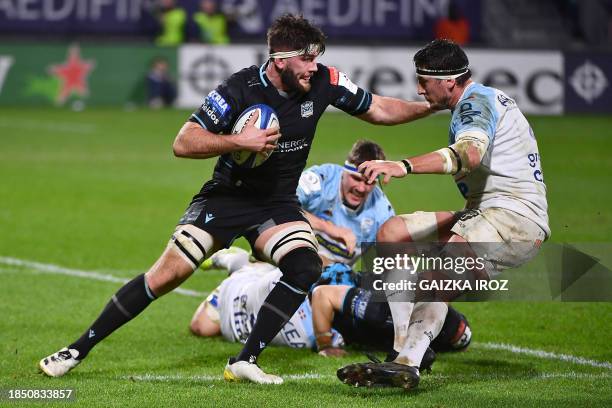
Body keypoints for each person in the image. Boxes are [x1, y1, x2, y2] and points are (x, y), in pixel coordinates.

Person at [39, 14, 433, 385]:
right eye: (306, 59)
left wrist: (432, 106)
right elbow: (183, 141)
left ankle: (244, 361)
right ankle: (75, 350)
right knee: (165, 276)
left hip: (277, 203)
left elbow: (378, 108)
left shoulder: (325, 81)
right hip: (228, 197)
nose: (314, 66)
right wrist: (237, 141)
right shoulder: (239, 87)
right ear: (279, 60)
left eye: (316, 58)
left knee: (304, 266)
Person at [337, 39, 549, 390]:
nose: (418, 88)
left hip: (514, 218)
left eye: (423, 81)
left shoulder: (475, 105)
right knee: (393, 234)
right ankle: (401, 350)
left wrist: (403, 166)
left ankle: (409, 361)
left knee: (437, 276)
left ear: (449, 81)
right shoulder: (476, 101)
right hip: (483, 212)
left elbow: (469, 154)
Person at [190, 248, 472, 363]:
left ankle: (246, 267)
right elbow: (324, 295)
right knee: (202, 326)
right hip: (318, 291)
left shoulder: (407, 320)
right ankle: (236, 263)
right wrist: (326, 344)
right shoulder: (380, 309)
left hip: (329, 295)